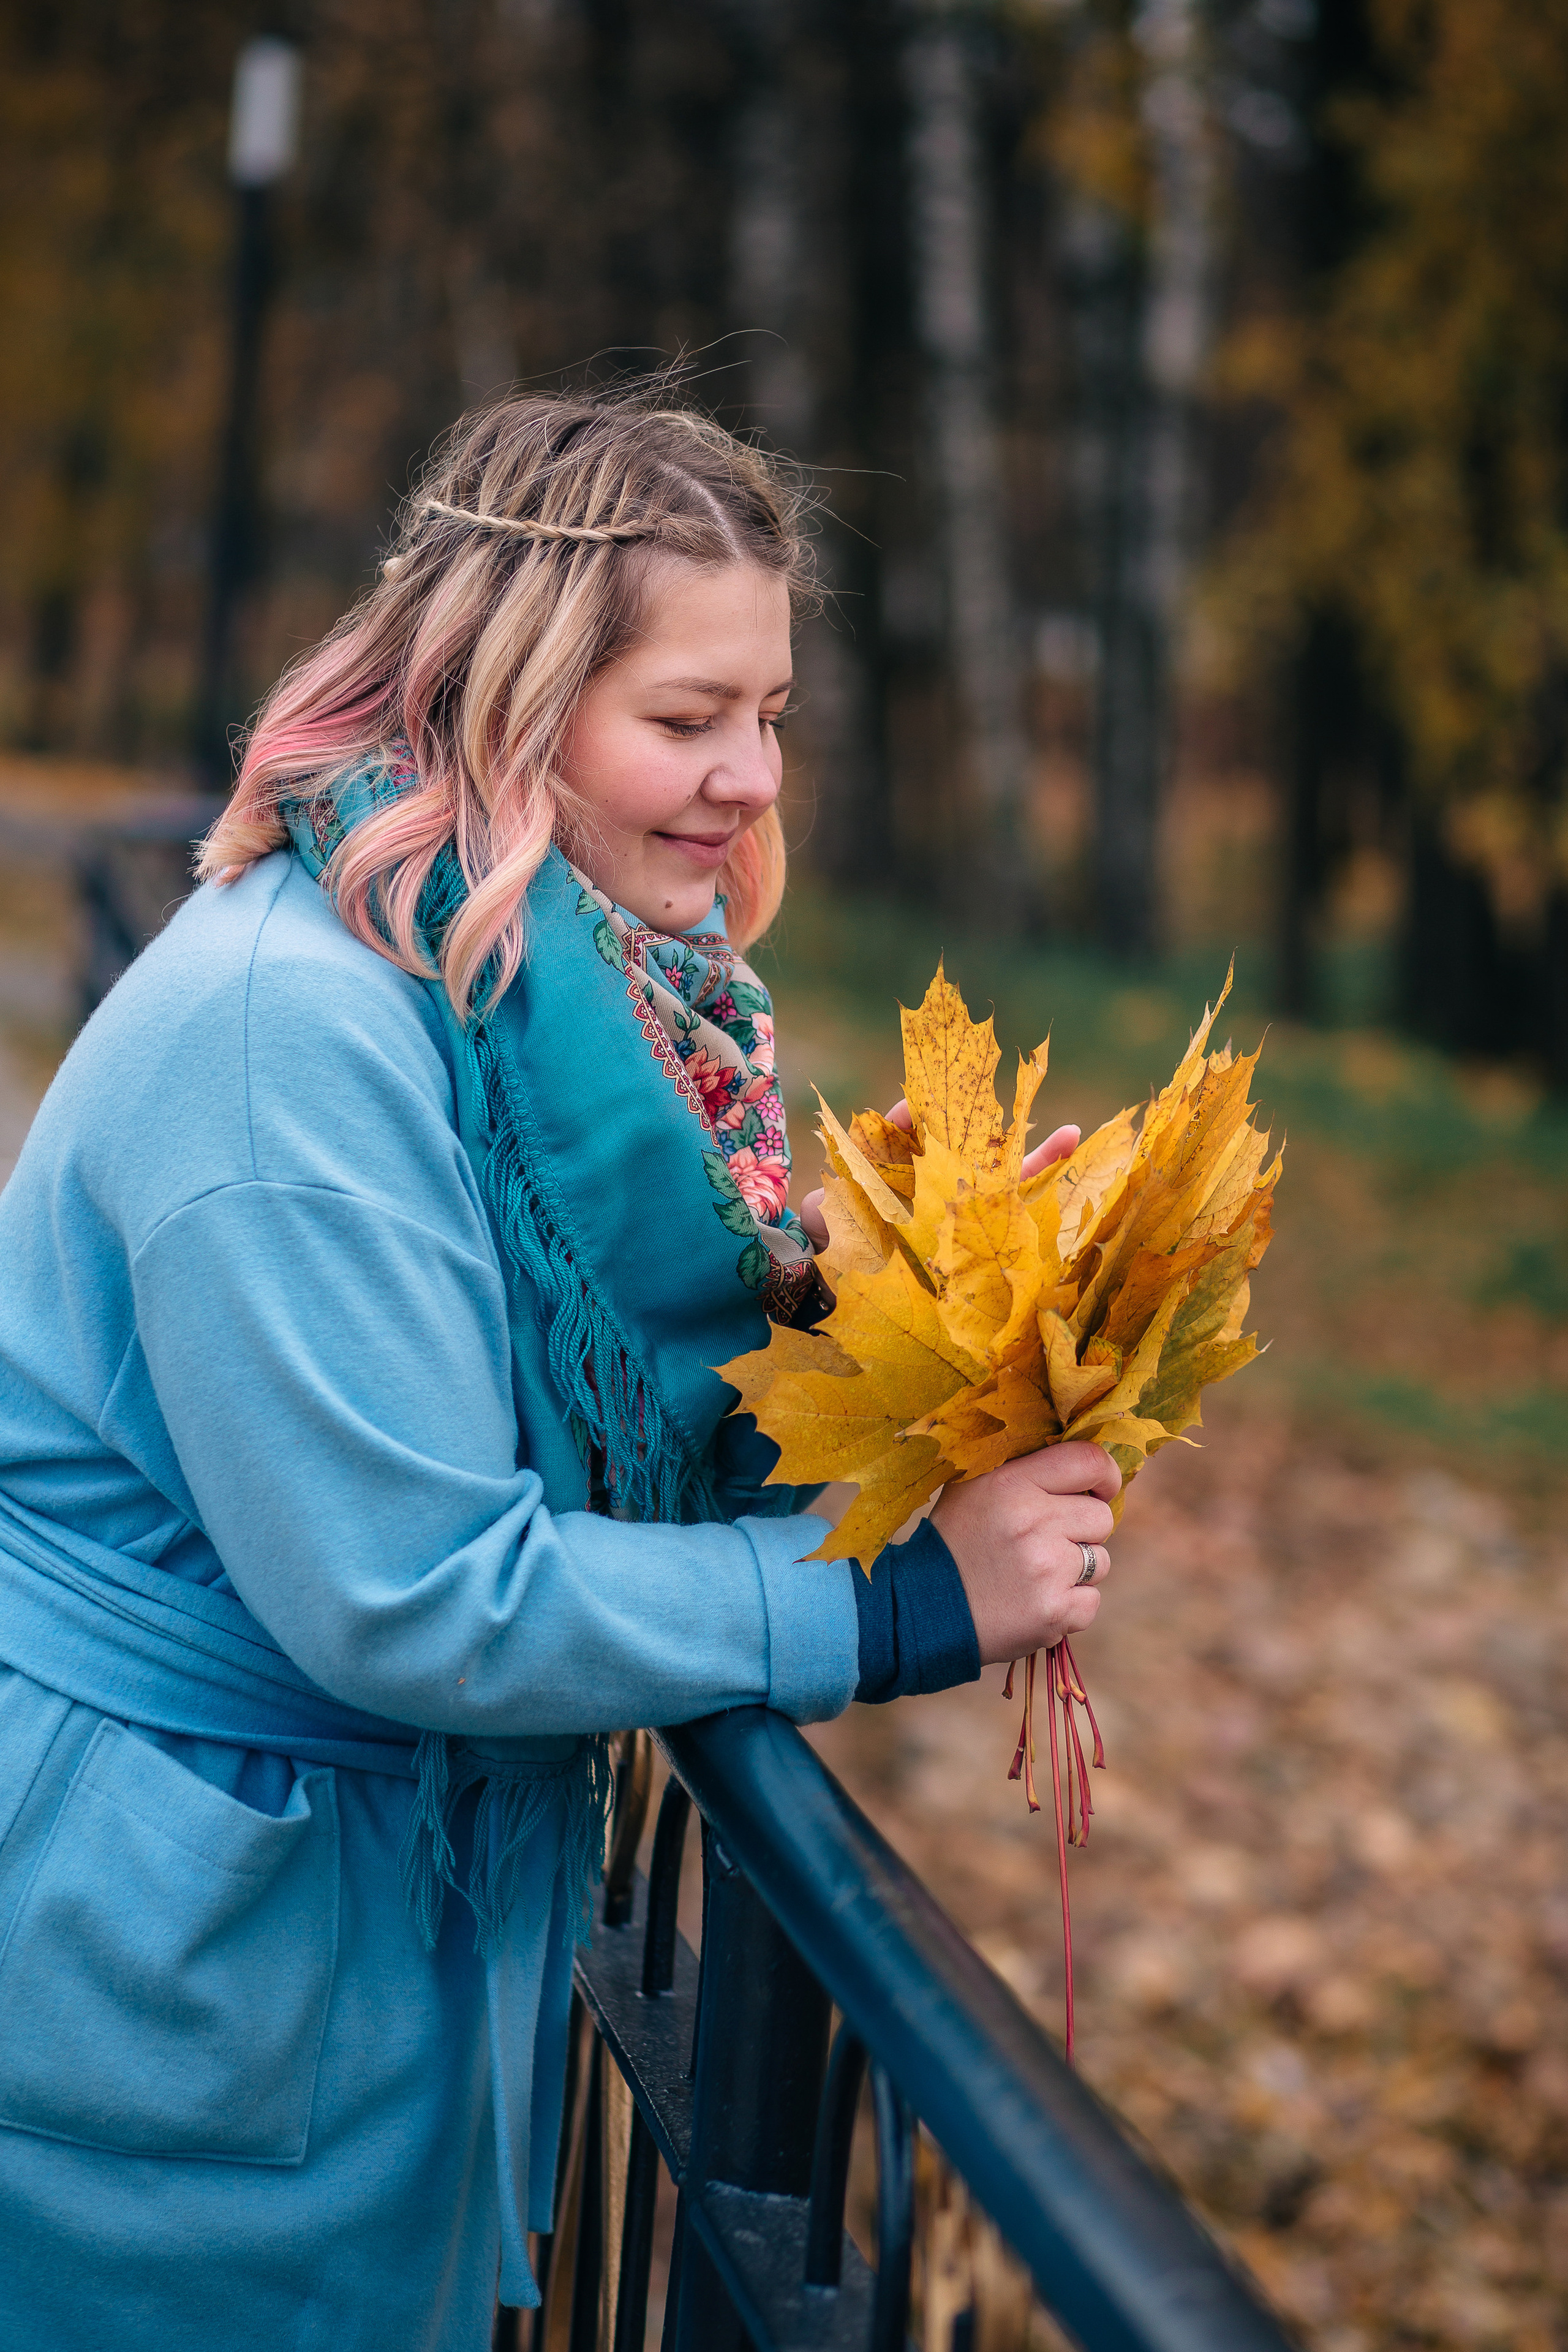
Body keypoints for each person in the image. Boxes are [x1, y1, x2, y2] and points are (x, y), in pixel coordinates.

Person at [0, 388, 1119, 2351]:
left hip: (327, 1911)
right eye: (687, 721)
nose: (753, 777)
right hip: (171, 1948)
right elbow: (411, 1585)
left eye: (770, 715)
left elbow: (597, 1416)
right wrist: (902, 1600)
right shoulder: (296, 1041)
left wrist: (949, 1335)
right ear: (503, 703)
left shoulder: (558, 1012)